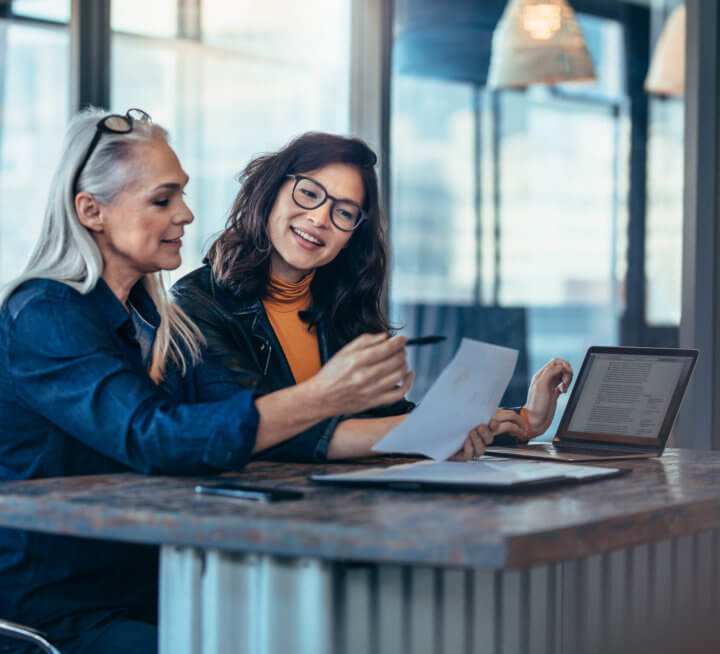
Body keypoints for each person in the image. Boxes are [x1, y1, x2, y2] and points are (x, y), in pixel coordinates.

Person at [0, 110, 431, 654]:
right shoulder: (42, 315)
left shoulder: (158, 322)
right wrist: (325, 394)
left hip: (151, 585)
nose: (186, 214)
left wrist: (440, 435)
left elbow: (254, 421)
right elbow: (152, 436)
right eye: (163, 200)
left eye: (181, 195)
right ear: (92, 211)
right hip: (60, 609)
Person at [171, 132, 574, 462]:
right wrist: (433, 431)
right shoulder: (196, 304)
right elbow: (262, 430)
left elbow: (387, 419)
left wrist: (524, 419)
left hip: (343, 511)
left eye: (344, 212)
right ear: (271, 191)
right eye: (309, 193)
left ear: (352, 236)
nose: (320, 219)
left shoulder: (339, 305)